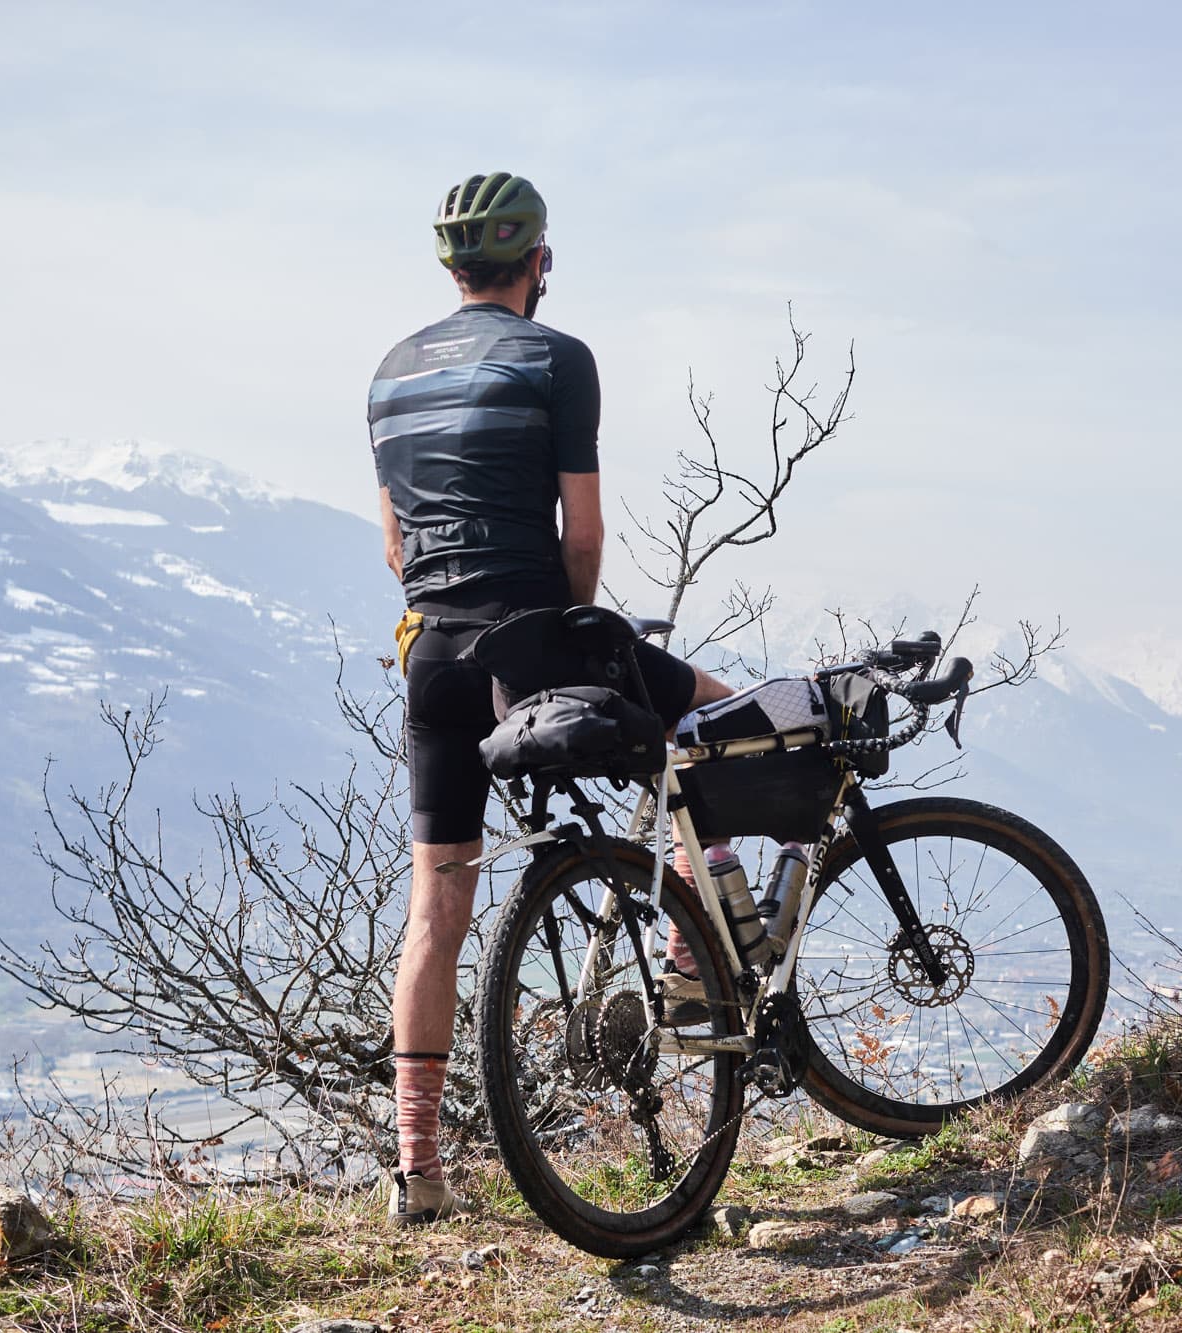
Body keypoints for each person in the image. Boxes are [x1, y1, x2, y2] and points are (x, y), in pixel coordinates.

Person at [368, 172, 734, 1225]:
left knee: (435, 907)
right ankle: (686, 971)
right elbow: (584, 536)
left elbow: (395, 545)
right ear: (538, 263)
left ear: (449, 268)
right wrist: (576, 638)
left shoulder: (389, 373)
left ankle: (418, 1171)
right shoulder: (555, 358)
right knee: (717, 723)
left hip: (431, 657)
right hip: (531, 635)